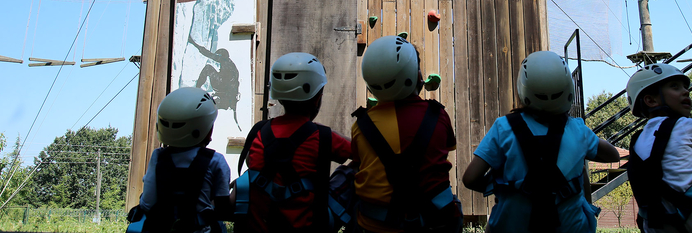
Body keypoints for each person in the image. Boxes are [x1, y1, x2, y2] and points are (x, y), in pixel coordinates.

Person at [462, 51, 620, 233]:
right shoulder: (578, 130)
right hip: (571, 228)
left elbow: (470, 179)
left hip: (510, 228)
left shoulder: (503, 128)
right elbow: (613, 155)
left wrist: (505, 185)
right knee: (580, 168)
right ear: (568, 88)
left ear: (524, 89)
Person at [352, 35, 462, 233]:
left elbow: (358, 163)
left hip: (376, 226)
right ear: (414, 74)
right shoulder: (438, 115)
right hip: (434, 222)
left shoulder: (361, 125)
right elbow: (444, 151)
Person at [234, 52, 351, 233]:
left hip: (258, 228)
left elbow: (250, 162)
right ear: (318, 97)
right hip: (308, 228)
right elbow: (361, 152)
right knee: (351, 171)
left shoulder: (258, 131)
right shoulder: (323, 136)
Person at [626, 63, 692, 233]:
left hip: (657, 219)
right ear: (651, 100)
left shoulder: (636, 140)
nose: (686, 91)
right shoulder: (688, 125)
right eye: (675, 87)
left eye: (685, 87)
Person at [131, 87, 232, 233]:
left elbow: (147, 204)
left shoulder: (158, 156)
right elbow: (223, 209)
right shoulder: (216, 160)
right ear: (205, 129)